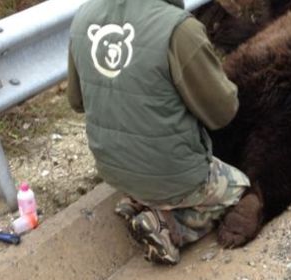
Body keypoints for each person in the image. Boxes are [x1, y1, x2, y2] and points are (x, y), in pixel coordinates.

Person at [67, 0, 250, 265]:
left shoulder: (83, 17)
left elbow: (76, 101)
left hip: (112, 170)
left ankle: (140, 202)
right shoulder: (179, 28)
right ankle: (170, 226)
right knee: (240, 189)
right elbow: (223, 112)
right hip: (173, 176)